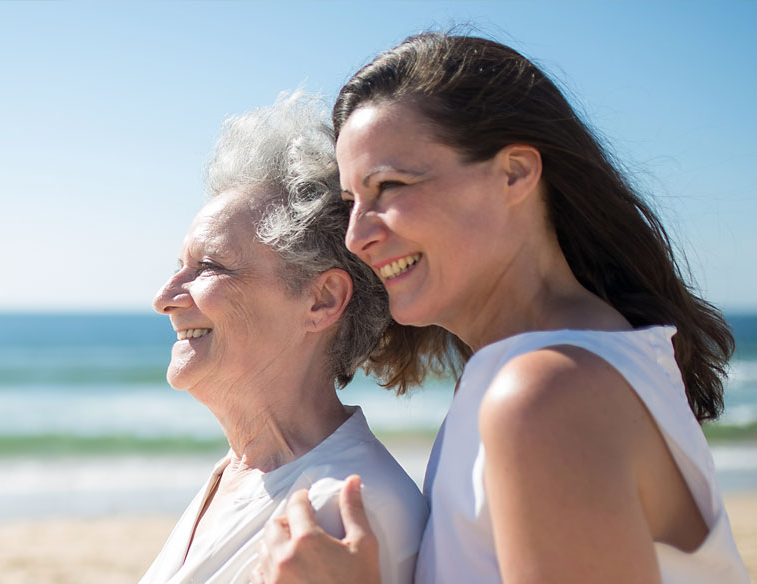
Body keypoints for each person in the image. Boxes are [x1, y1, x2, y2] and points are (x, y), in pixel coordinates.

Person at [254, 33, 750, 583]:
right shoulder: (566, 366)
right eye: (352, 204)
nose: (356, 236)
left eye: (390, 186)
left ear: (514, 172)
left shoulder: (545, 396)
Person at [139, 93, 427, 584]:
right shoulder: (238, 473)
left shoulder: (352, 508)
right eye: (177, 268)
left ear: (322, 300)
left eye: (208, 267)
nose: (164, 298)